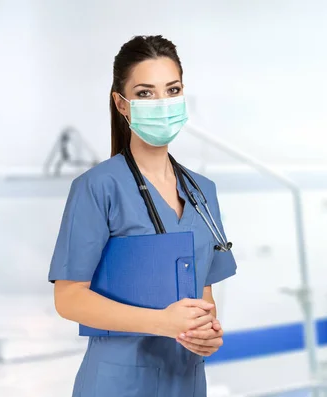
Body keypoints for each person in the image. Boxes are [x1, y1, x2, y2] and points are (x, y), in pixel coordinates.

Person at [48, 35, 237, 397]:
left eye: (172, 89)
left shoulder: (202, 191)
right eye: (146, 93)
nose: (162, 103)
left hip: (186, 379)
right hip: (118, 382)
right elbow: (68, 299)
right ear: (121, 104)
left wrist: (206, 334)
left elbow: (203, 296)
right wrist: (162, 323)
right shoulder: (98, 186)